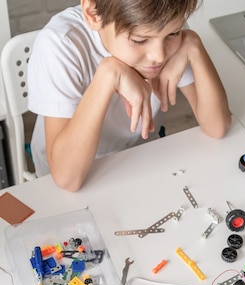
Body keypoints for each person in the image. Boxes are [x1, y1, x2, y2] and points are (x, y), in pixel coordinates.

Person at [27, 0, 231, 192]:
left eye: (174, 33)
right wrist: (108, 74)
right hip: (78, 169)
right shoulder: (61, 44)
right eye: (140, 40)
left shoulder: (163, 24)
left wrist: (194, 45)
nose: (159, 56)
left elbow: (217, 127)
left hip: (140, 157)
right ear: (92, 14)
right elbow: (67, 179)